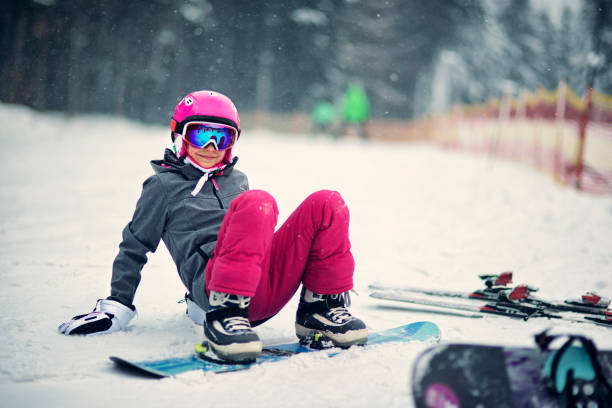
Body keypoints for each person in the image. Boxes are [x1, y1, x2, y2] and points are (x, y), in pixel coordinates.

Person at [58, 90, 368, 362]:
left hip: (260, 285)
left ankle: (319, 310)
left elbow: (253, 240)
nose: (209, 146)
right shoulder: (162, 187)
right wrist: (117, 305)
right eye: (199, 135)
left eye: (221, 137)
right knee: (258, 202)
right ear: (179, 135)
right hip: (213, 293)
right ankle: (226, 314)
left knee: (327, 202)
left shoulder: (237, 179)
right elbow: (134, 246)